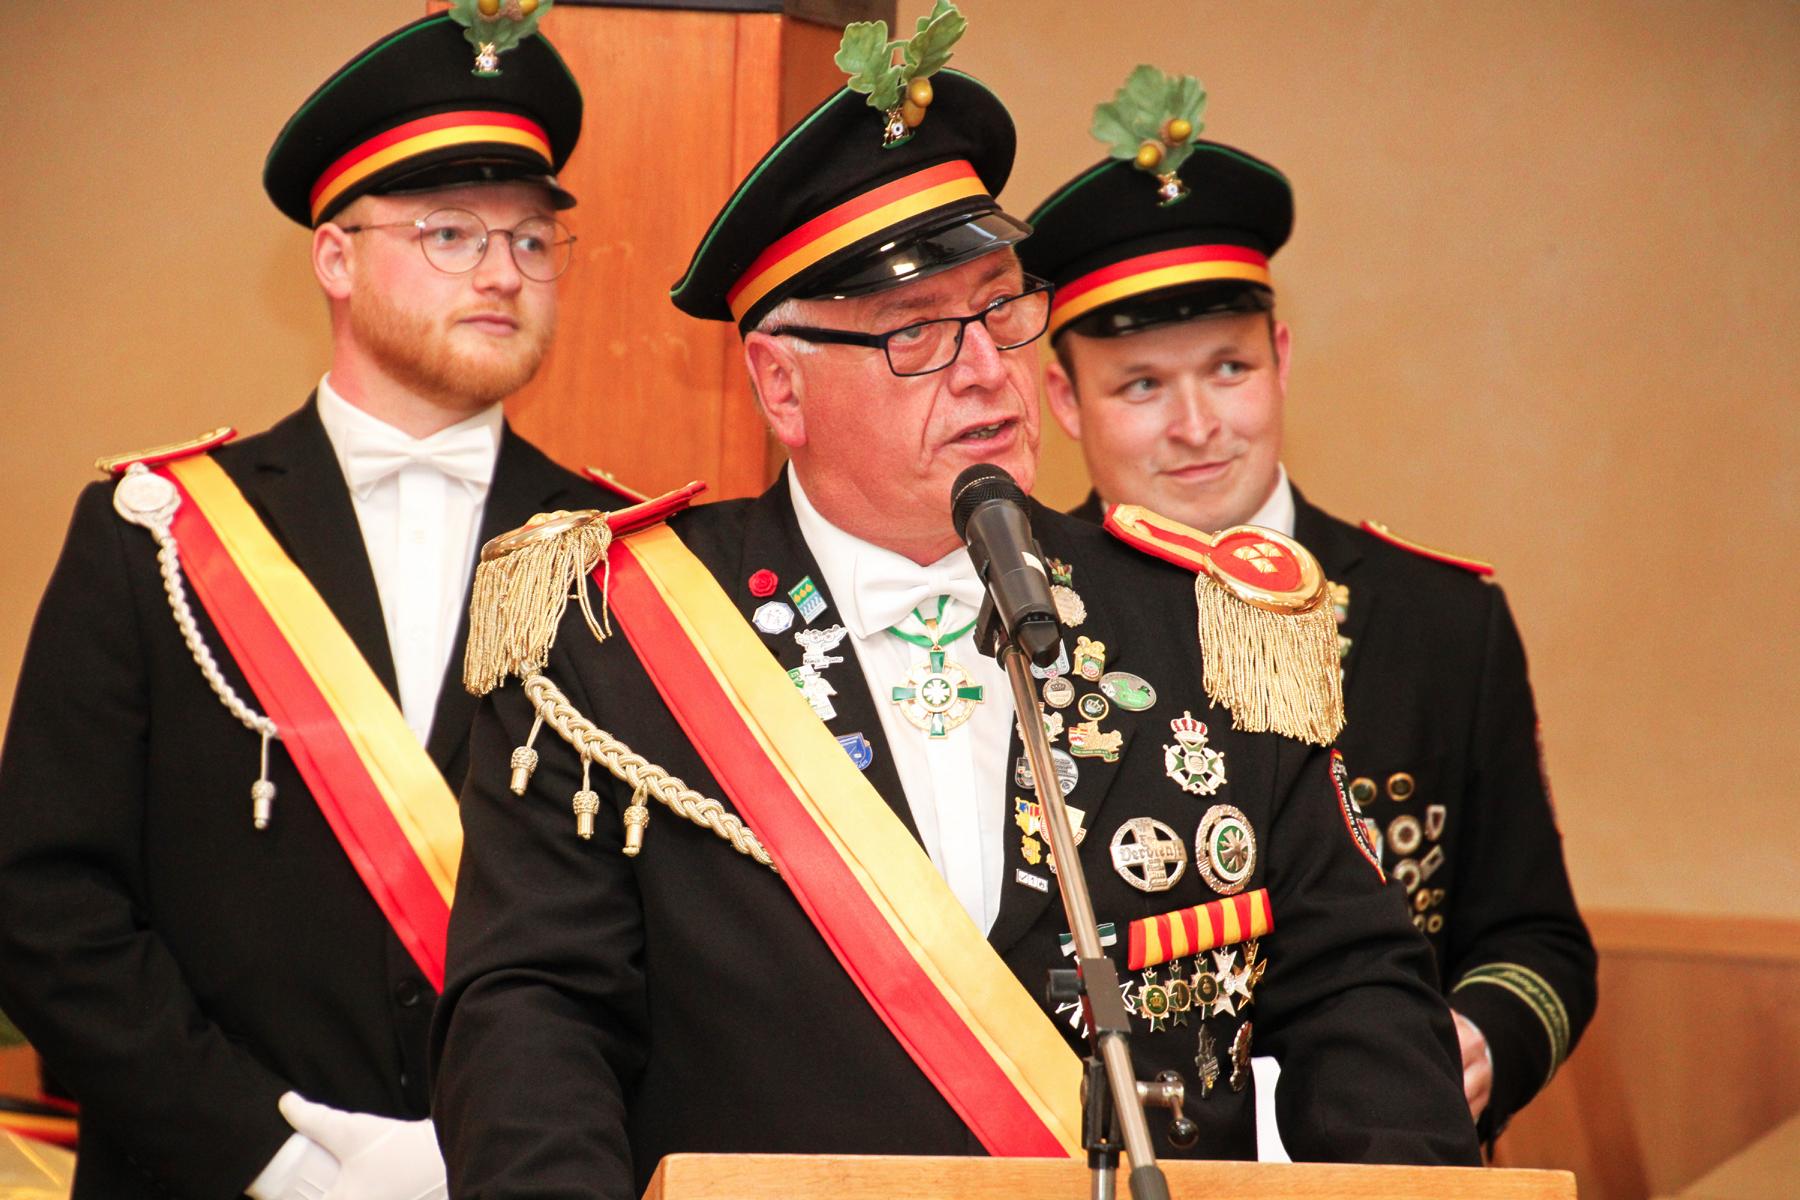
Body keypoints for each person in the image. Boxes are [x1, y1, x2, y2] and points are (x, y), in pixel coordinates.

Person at [431, 12, 1479, 1195]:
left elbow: (1360, 1001)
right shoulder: (613, 634)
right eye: (917, 334)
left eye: (1002, 309)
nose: (987, 372)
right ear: (781, 384)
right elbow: (535, 1024)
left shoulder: (1204, 628)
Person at [0, 7, 606, 1197]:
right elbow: (45, 903)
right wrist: (273, 1157)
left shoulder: (621, 553)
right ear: (334, 258)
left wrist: (513, 1143)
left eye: (534, 240)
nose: (503, 272)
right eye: (450, 233)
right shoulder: (155, 532)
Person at [1020, 66, 1596, 1138]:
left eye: (1228, 369)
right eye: (1141, 384)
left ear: (1281, 359)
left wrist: (1481, 1038)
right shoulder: (1019, 619)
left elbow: (1537, 938)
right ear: (1064, 398)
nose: (1197, 425)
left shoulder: (1443, 620)